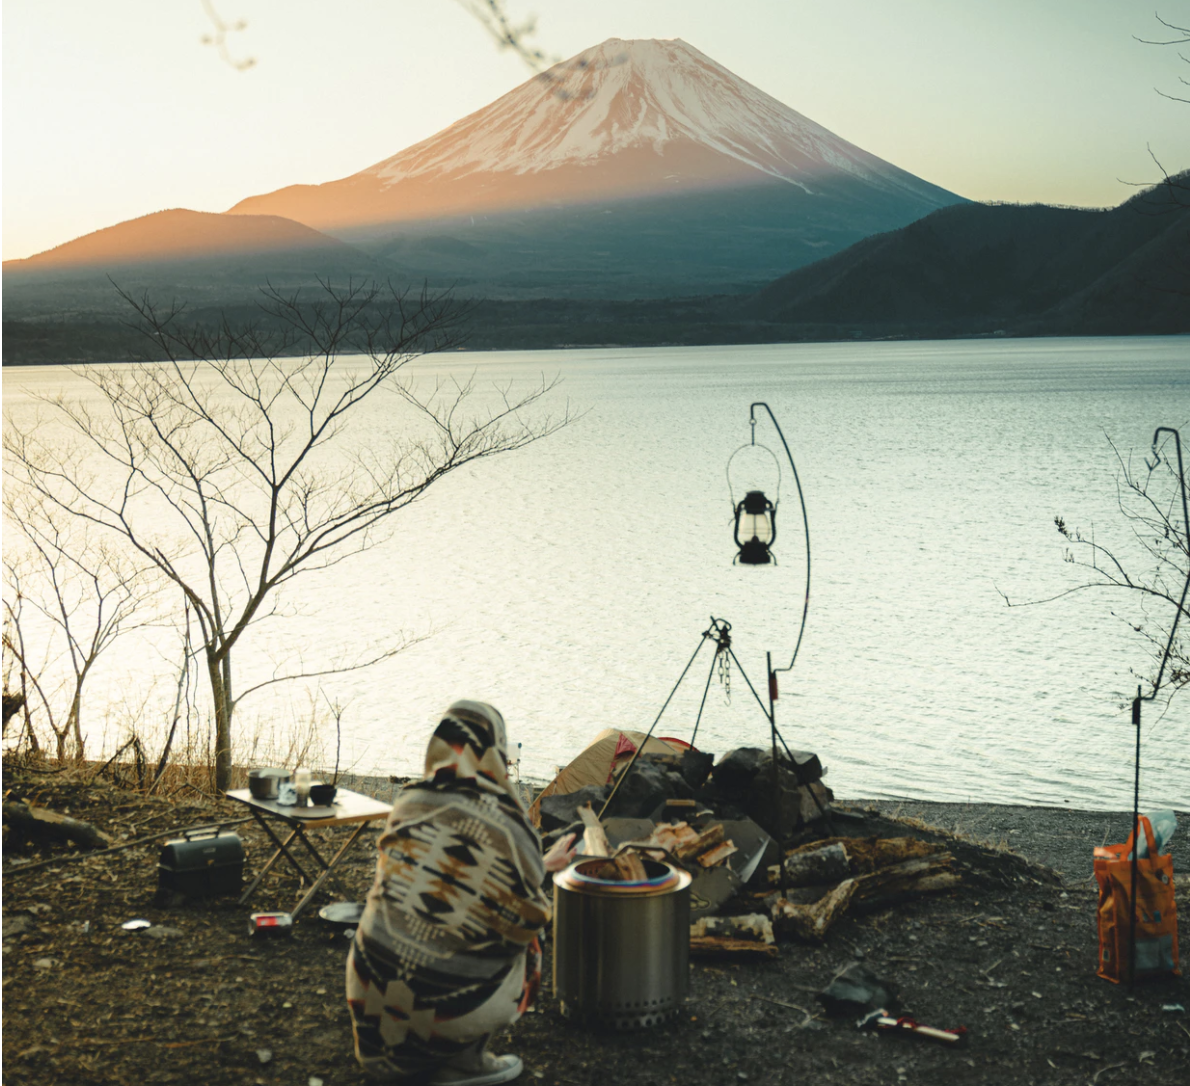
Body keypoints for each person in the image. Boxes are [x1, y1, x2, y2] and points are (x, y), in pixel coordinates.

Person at [347, 700, 577, 1085]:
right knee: (530, 936)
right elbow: (523, 912)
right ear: (496, 751)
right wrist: (538, 876)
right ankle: (464, 1060)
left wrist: (538, 866)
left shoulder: (409, 800)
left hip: (368, 991)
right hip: (442, 1010)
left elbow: (446, 873)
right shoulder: (508, 820)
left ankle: (395, 1047)